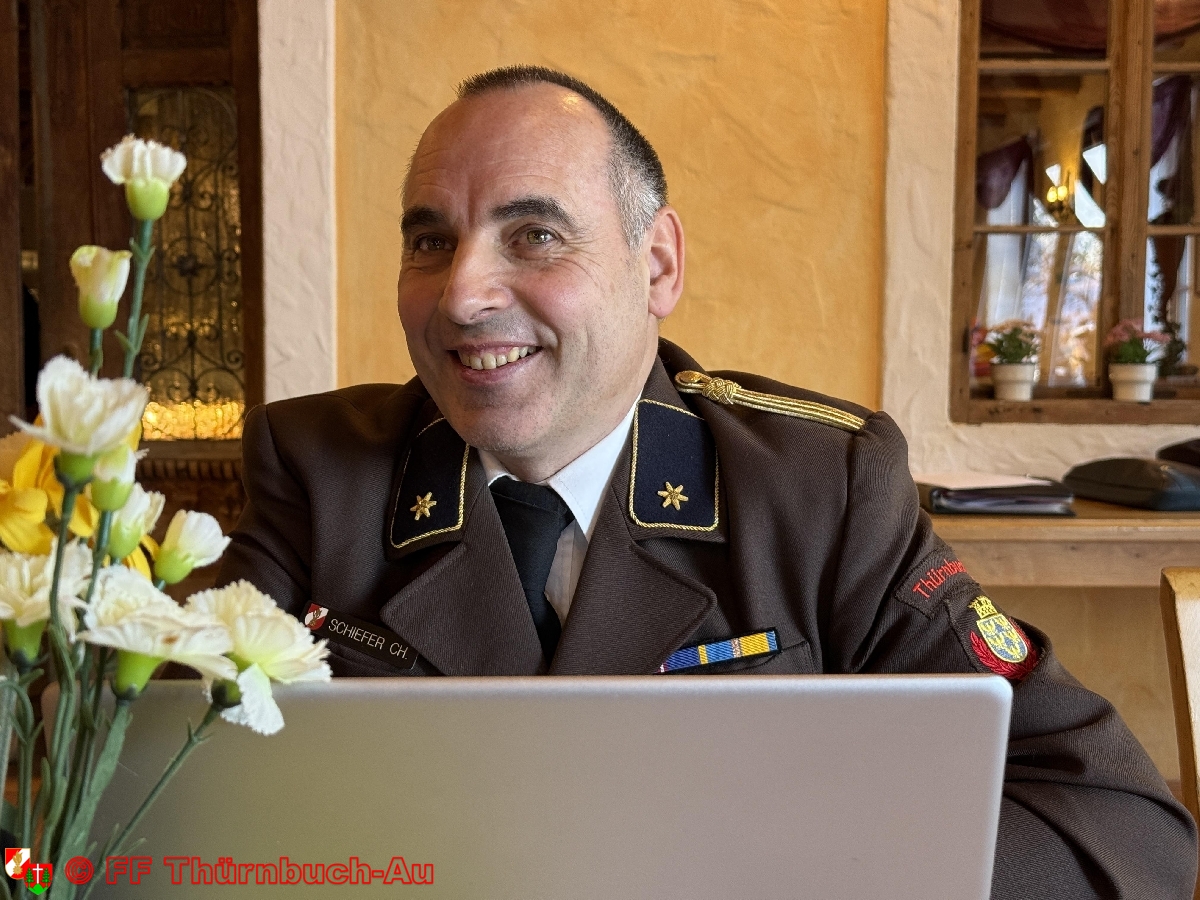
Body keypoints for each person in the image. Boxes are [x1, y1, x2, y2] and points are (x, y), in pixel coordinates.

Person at [217, 65, 1198, 897]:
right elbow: (168, 795)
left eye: (535, 235)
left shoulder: (821, 486)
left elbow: (1118, 825)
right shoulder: (316, 472)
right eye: (431, 241)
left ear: (657, 266)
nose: (464, 295)